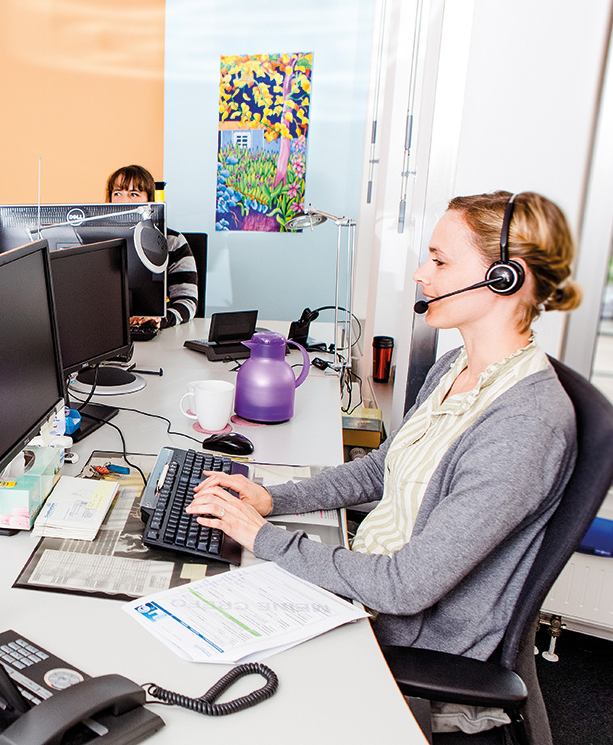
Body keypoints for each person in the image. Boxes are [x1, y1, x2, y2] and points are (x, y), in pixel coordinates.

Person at [187, 191, 581, 730]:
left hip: (405, 632)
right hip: (367, 583)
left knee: (209, 673)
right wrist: (271, 499)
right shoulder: (456, 366)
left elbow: (405, 586)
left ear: (505, 278)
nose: (421, 274)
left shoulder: (524, 425)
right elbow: (382, 467)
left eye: (439, 261)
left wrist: (263, 537)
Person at [105, 165, 198, 328]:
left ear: (149, 200)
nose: (124, 200)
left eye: (134, 194)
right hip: (106, 328)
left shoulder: (172, 241)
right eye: (117, 193)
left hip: (153, 331)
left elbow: (187, 301)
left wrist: (160, 319)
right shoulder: (97, 242)